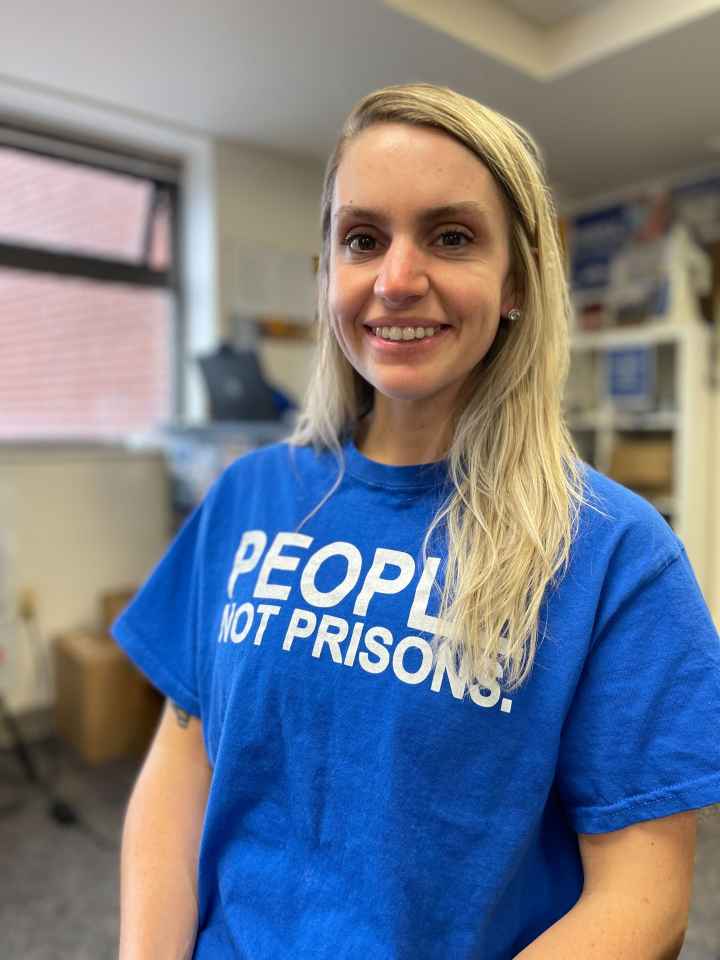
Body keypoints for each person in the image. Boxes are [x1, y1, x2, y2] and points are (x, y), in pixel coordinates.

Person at [113, 82, 720, 959]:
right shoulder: (248, 498)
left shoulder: (617, 555)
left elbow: (645, 901)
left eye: (451, 236)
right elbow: (182, 767)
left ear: (516, 279)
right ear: (331, 274)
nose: (398, 279)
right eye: (363, 239)